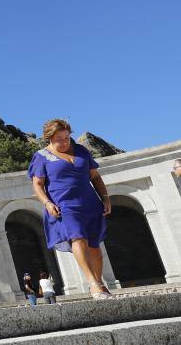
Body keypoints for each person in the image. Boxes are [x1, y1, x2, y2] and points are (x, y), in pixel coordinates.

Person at [29, 119, 112, 300]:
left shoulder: (82, 151)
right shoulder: (41, 156)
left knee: (94, 247)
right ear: (49, 138)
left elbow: (95, 177)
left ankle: (99, 283)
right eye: (59, 138)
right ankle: (92, 282)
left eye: (67, 137)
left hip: (89, 203)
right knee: (78, 237)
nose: (64, 142)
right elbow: (37, 184)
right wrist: (47, 203)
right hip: (64, 204)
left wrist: (105, 198)